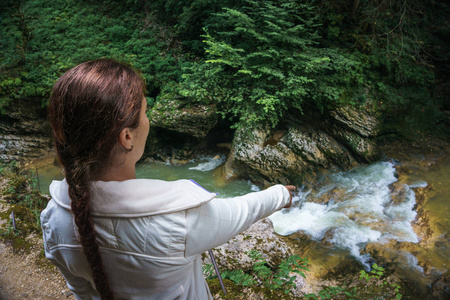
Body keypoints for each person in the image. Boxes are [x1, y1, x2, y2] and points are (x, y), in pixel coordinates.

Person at [40, 58, 295, 300]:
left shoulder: (52, 217)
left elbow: (80, 289)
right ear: (127, 137)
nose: (148, 121)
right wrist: (281, 194)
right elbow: (243, 211)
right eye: (144, 113)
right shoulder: (178, 220)